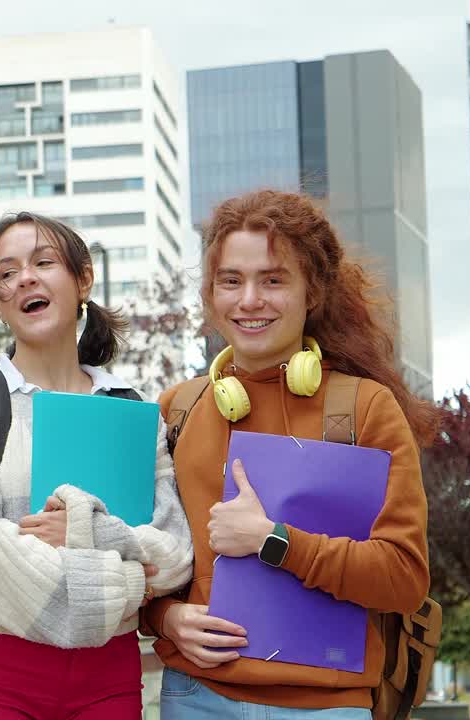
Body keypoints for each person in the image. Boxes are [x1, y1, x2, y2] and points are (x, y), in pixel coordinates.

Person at [144, 190, 440, 719]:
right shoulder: (178, 409)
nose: (249, 299)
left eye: (273, 279)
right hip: (195, 699)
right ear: (212, 295)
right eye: (231, 281)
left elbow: (403, 579)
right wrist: (165, 618)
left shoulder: (365, 408)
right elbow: (144, 560)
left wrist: (273, 542)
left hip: (328, 706)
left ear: (313, 293)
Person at [0, 211, 194, 719]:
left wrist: (84, 531)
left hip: (110, 676)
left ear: (83, 279)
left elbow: (178, 553)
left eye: (44, 262)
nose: (25, 277)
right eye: (7, 274)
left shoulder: (132, 410)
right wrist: (132, 579)